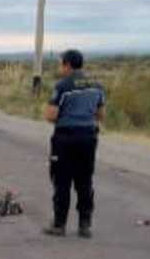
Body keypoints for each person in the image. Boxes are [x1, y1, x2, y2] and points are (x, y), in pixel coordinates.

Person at [42, 50, 107, 239]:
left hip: (65, 138)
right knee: (84, 181)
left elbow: (50, 116)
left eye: (61, 63)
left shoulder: (63, 86)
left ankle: (59, 224)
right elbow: (101, 115)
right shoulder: (97, 86)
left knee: (62, 181)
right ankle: (84, 225)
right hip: (88, 138)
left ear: (68, 65)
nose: (59, 67)